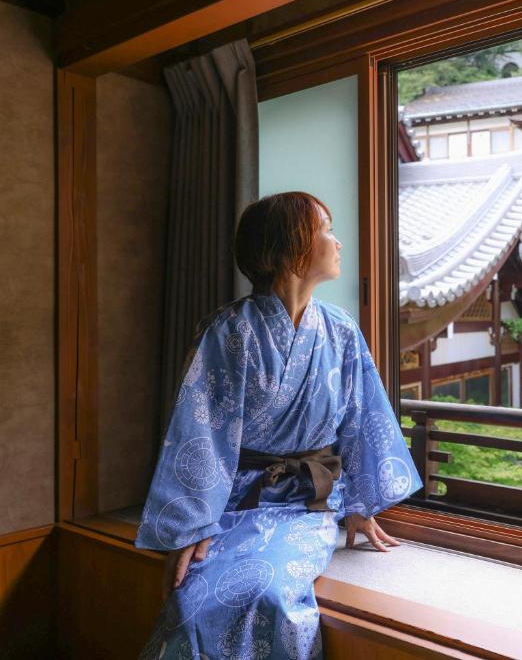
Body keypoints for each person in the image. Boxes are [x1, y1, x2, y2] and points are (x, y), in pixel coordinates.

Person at [135, 191, 423, 659]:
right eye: (326, 229)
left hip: (305, 504)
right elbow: (199, 433)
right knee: (190, 605)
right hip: (233, 501)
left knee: (272, 599)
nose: (338, 242)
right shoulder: (229, 331)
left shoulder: (341, 329)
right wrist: (192, 528)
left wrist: (360, 502)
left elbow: (363, 417)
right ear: (293, 247)